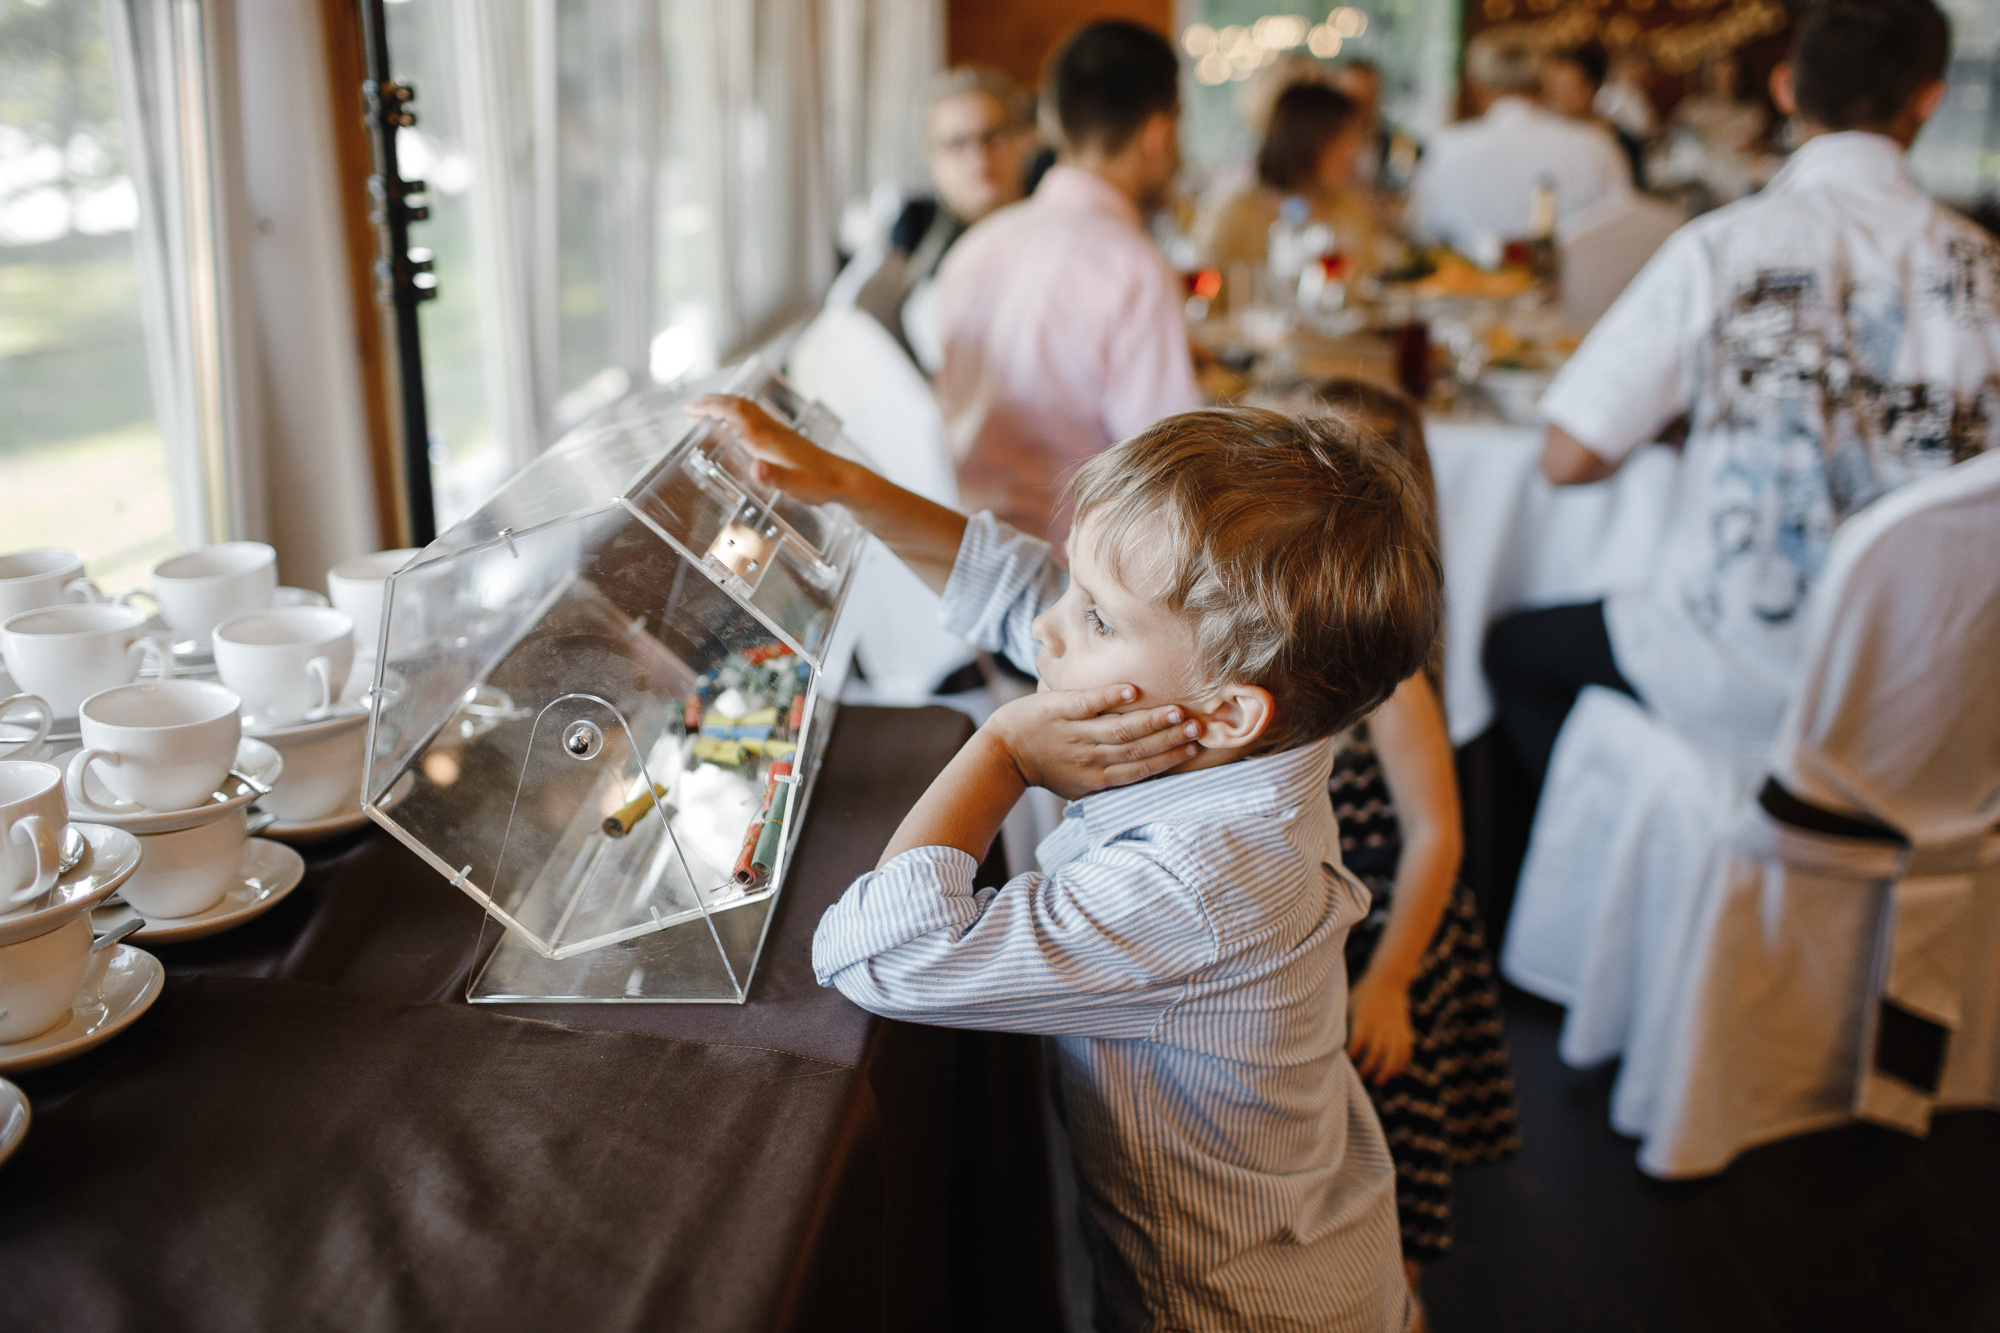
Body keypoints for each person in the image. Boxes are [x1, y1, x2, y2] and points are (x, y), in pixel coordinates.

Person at [686, 392, 1442, 1332]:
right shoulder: (1246, 739)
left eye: (1096, 619)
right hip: (1325, 1253)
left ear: (1224, 710)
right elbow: (1024, 597)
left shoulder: (1196, 885)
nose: (1048, 630)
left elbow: (882, 954)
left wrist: (999, 750)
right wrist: (841, 486)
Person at [1485, 0, 2000, 805]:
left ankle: (1637, 840)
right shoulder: (1987, 269)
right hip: (1936, 687)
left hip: (1743, 672)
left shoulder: (1723, 247)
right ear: (1928, 99)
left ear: (1787, 87)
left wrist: (1683, 422)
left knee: (1513, 652)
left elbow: (1567, 459)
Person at [1261, 380, 1521, 1311]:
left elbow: (1438, 834)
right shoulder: (1267, 637)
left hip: (1385, 938)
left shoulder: (1385, 673)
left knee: (1390, 1177)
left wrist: (1394, 981)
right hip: (1311, 934)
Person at [936, 20, 1200, 546]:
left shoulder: (974, 248)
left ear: (1055, 121)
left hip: (964, 555)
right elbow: (1170, 478)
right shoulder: (1132, 268)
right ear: (1157, 133)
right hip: (1079, 569)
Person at [834, 66, 1037, 371]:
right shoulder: (922, 271)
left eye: (992, 136)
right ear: (932, 158)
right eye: (956, 144)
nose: (978, 157)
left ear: (1024, 140)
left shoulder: (1063, 233)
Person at [1407, 26, 1630, 261]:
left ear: (1476, 86)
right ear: (1543, 82)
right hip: (1573, 294)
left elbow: (1421, 232)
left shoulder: (1446, 149)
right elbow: (1625, 233)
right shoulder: (1594, 146)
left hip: (1463, 291)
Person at [1194, 82, 1383, 310]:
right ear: (1303, 138)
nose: (1351, 153)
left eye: (1354, 139)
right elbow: (1204, 304)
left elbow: (1370, 298)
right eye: (1340, 139)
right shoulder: (1235, 212)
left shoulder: (1351, 209)